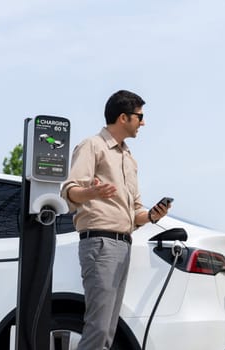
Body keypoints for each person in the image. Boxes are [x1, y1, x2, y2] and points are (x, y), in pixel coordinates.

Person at [61, 89, 171, 350]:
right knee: (98, 328)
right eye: (139, 116)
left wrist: (153, 216)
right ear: (123, 117)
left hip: (123, 245)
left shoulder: (129, 159)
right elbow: (69, 192)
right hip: (99, 243)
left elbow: (135, 214)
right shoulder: (92, 146)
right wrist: (92, 192)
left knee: (108, 329)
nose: (143, 123)